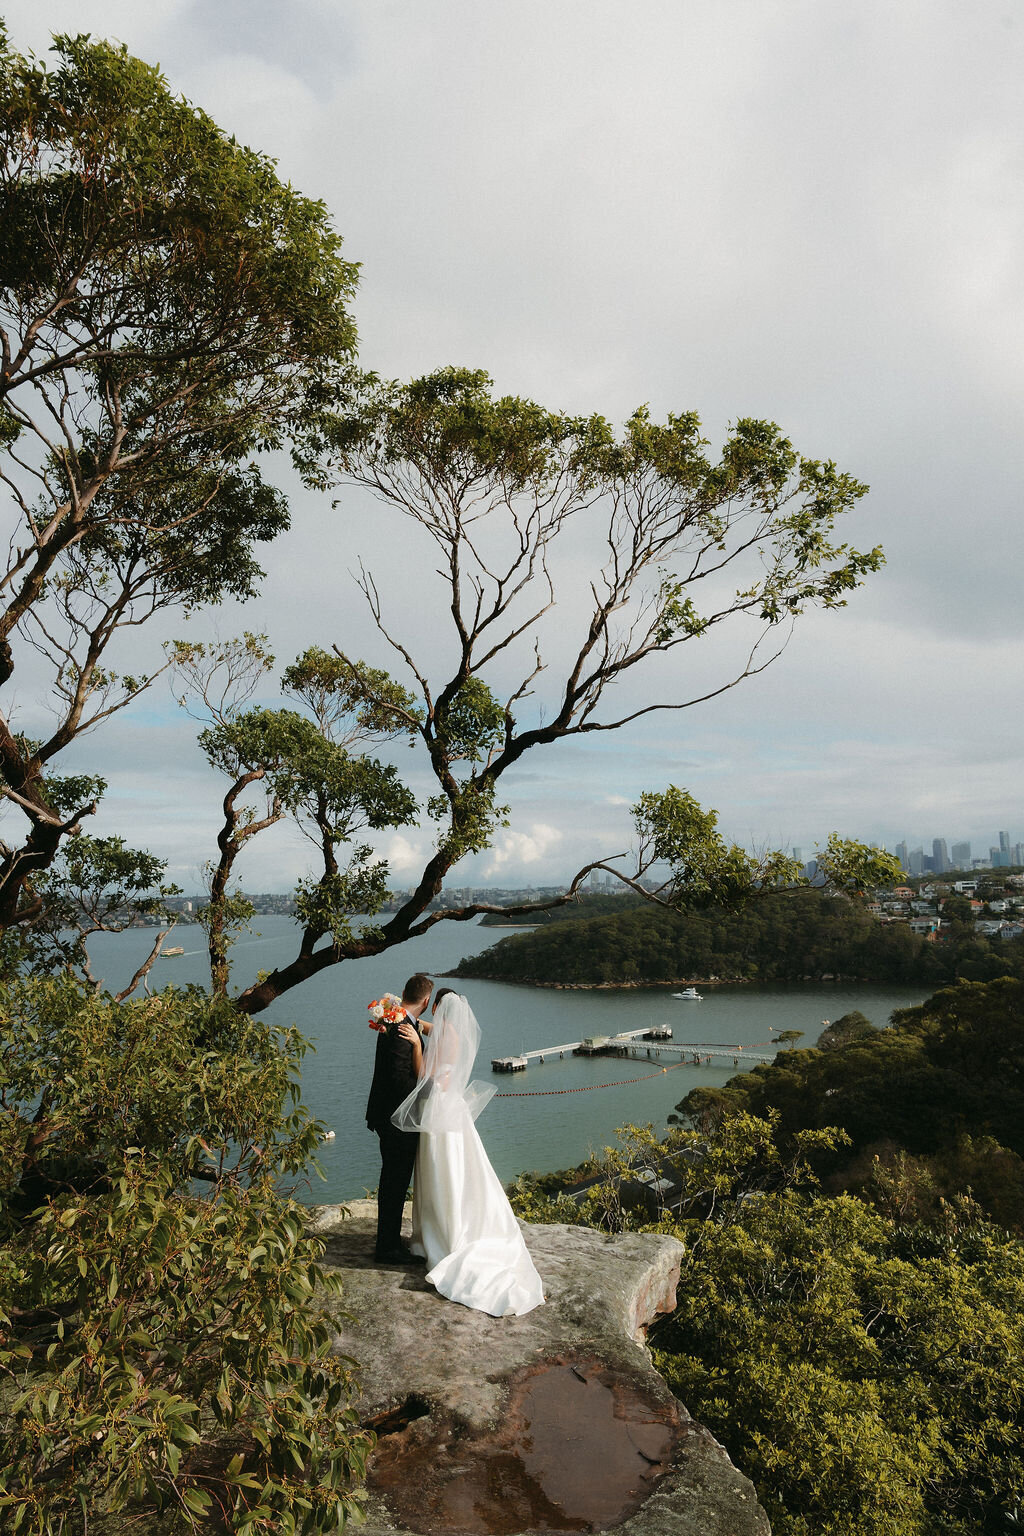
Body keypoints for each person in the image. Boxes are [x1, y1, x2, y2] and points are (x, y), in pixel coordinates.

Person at [392, 992, 544, 1317]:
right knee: (456, 1168)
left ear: (438, 1007)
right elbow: (431, 1029)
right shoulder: (451, 1031)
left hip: (438, 1110)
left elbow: (424, 1074)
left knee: (439, 1169)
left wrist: (416, 1045)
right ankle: (443, 1228)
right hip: (452, 1109)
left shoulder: (442, 1035)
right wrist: (408, 1017)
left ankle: (441, 1234)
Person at [365, 972, 433, 1263]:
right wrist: (427, 1091)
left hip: (391, 1117)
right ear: (427, 1001)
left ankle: (390, 1241)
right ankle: (387, 1248)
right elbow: (398, 1078)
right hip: (396, 1120)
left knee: (394, 1182)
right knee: (394, 1183)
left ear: (404, 993)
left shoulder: (397, 1019)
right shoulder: (402, 1029)